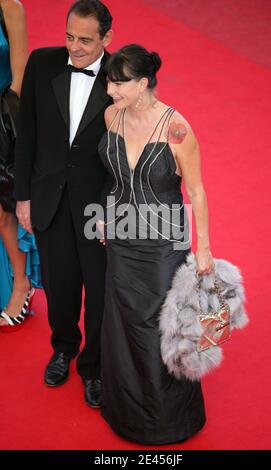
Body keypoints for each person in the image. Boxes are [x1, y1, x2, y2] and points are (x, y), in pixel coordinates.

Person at [97, 44, 214, 444]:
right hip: (122, 240)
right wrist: (104, 215)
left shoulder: (176, 128)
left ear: (143, 83)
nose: (110, 91)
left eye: (118, 83)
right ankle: (127, 414)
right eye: (110, 82)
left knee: (159, 329)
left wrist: (203, 249)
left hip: (164, 245)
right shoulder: (112, 116)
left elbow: (196, 192)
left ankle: (167, 422)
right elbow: (114, 178)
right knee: (122, 325)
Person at [14, 0, 113, 407]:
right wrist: (23, 195)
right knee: (59, 284)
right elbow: (28, 133)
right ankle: (64, 349)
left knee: (100, 288)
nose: (74, 47)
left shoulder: (120, 75)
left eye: (85, 41)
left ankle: (94, 367)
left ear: (107, 38)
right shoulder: (41, 63)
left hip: (99, 208)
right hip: (49, 196)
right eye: (69, 36)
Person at [0, 0, 40, 330]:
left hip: (1, 121)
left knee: (3, 211)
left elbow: (19, 79)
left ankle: (20, 285)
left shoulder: (10, 8)